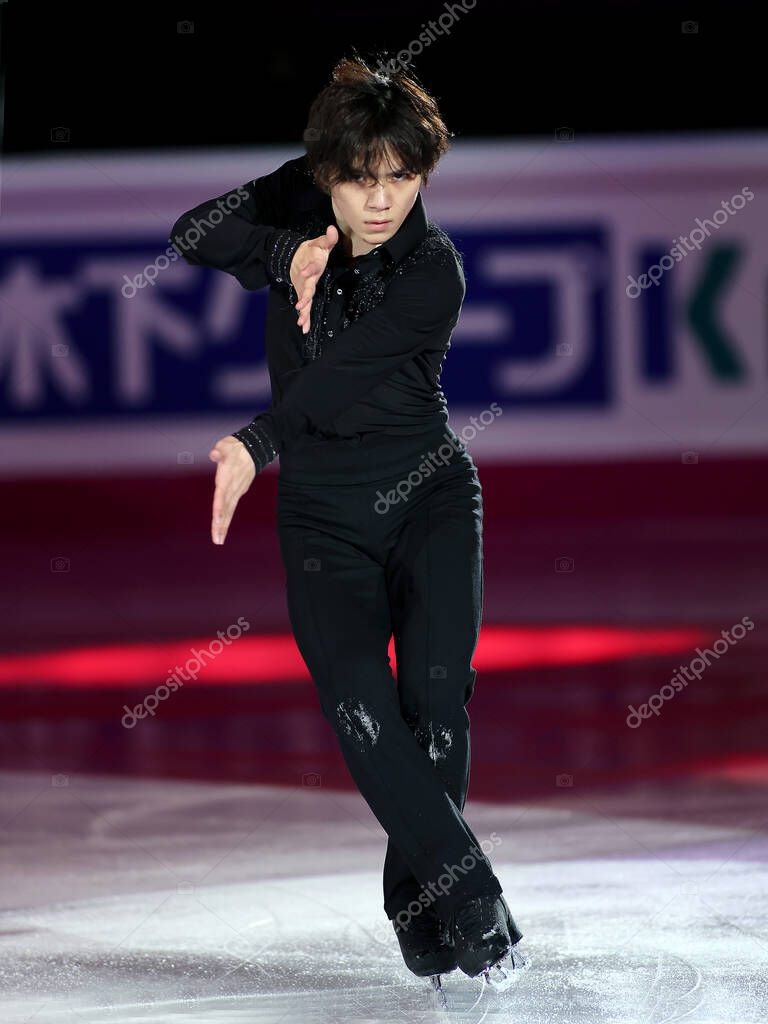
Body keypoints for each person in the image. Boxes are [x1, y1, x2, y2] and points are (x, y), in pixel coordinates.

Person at [170, 52, 524, 984]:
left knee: (436, 708)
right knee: (362, 707)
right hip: (325, 518)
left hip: (431, 501)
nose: (380, 201)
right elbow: (192, 232)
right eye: (361, 180)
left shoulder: (434, 269)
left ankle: (426, 902)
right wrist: (281, 251)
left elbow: (336, 378)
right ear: (326, 172)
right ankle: (472, 893)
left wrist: (256, 439)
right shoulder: (298, 197)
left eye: (401, 178)